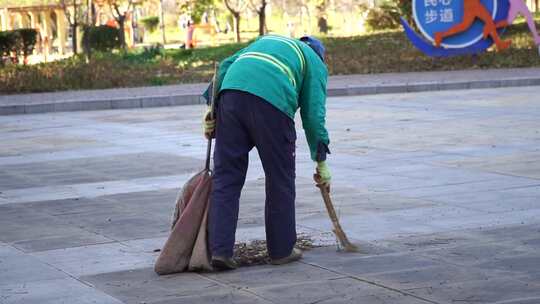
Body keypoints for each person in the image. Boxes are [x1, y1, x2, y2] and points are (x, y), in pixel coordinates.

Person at [202, 35, 331, 271]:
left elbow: (225, 67)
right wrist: (321, 161)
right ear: (321, 56)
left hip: (230, 97)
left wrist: (212, 111)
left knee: (226, 178)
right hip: (272, 104)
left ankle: (219, 251)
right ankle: (281, 250)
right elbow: (314, 116)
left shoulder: (267, 41)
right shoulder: (314, 61)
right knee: (279, 178)